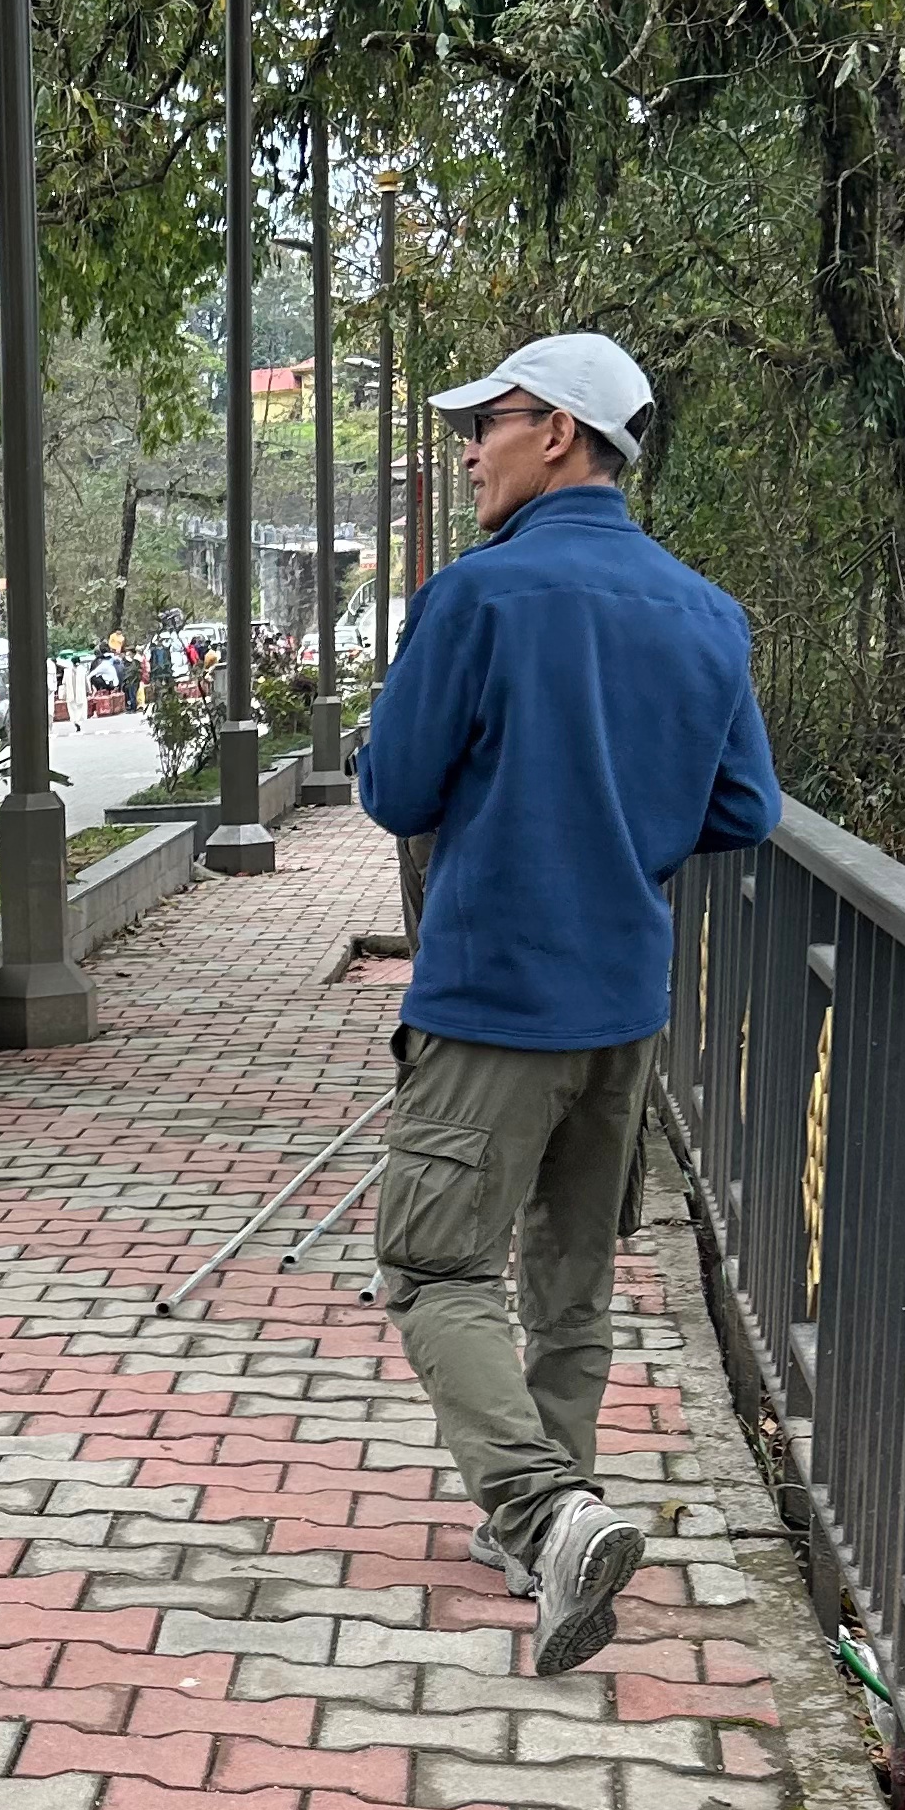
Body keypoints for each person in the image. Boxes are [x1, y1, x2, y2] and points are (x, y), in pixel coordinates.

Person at [356, 333, 779, 1675]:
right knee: (570, 1273)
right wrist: (621, 823)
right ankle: (556, 1516)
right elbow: (746, 806)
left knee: (432, 1265)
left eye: (484, 422)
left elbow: (393, 789)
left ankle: (544, 1514)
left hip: (491, 997)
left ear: (558, 432)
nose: (466, 450)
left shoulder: (475, 596)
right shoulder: (706, 613)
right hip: (623, 1004)